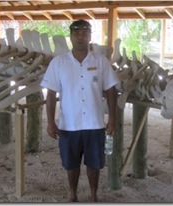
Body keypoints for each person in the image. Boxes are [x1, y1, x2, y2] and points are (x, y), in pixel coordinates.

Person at [40, 19, 120, 202]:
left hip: (95, 123)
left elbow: (110, 90)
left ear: (90, 36)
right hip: (69, 124)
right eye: (76, 32)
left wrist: (113, 119)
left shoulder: (101, 62)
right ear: (71, 36)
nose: (80, 36)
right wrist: (51, 122)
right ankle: (72, 193)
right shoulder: (58, 63)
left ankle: (93, 194)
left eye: (85, 32)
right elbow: (51, 93)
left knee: (95, 163)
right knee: (71, 163)